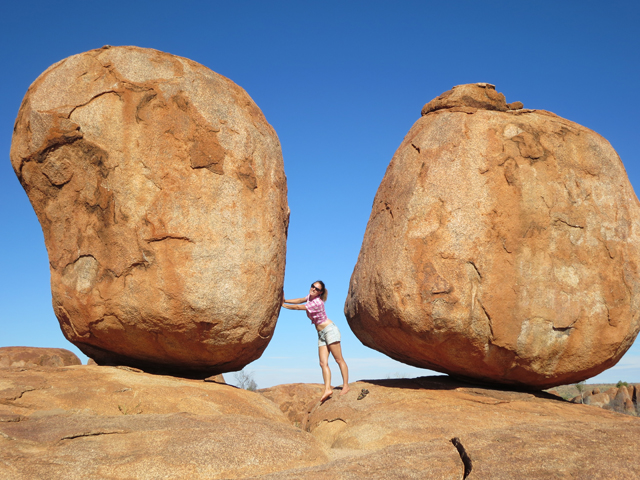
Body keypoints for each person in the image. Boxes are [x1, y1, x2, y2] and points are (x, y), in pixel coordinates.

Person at [282, 280, 350, 402]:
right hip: (321, 334)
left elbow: (298, 307)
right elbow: (299, 300)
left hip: (330, 330)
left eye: (317, 289)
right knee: (323, 363)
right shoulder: (310, 297)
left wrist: (282, 305)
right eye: (313, 286)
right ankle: (327, 389)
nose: (313, 289)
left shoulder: (317, 302)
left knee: (339, 359)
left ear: (320, 292)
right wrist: (285, 300)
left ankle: (346, 385)